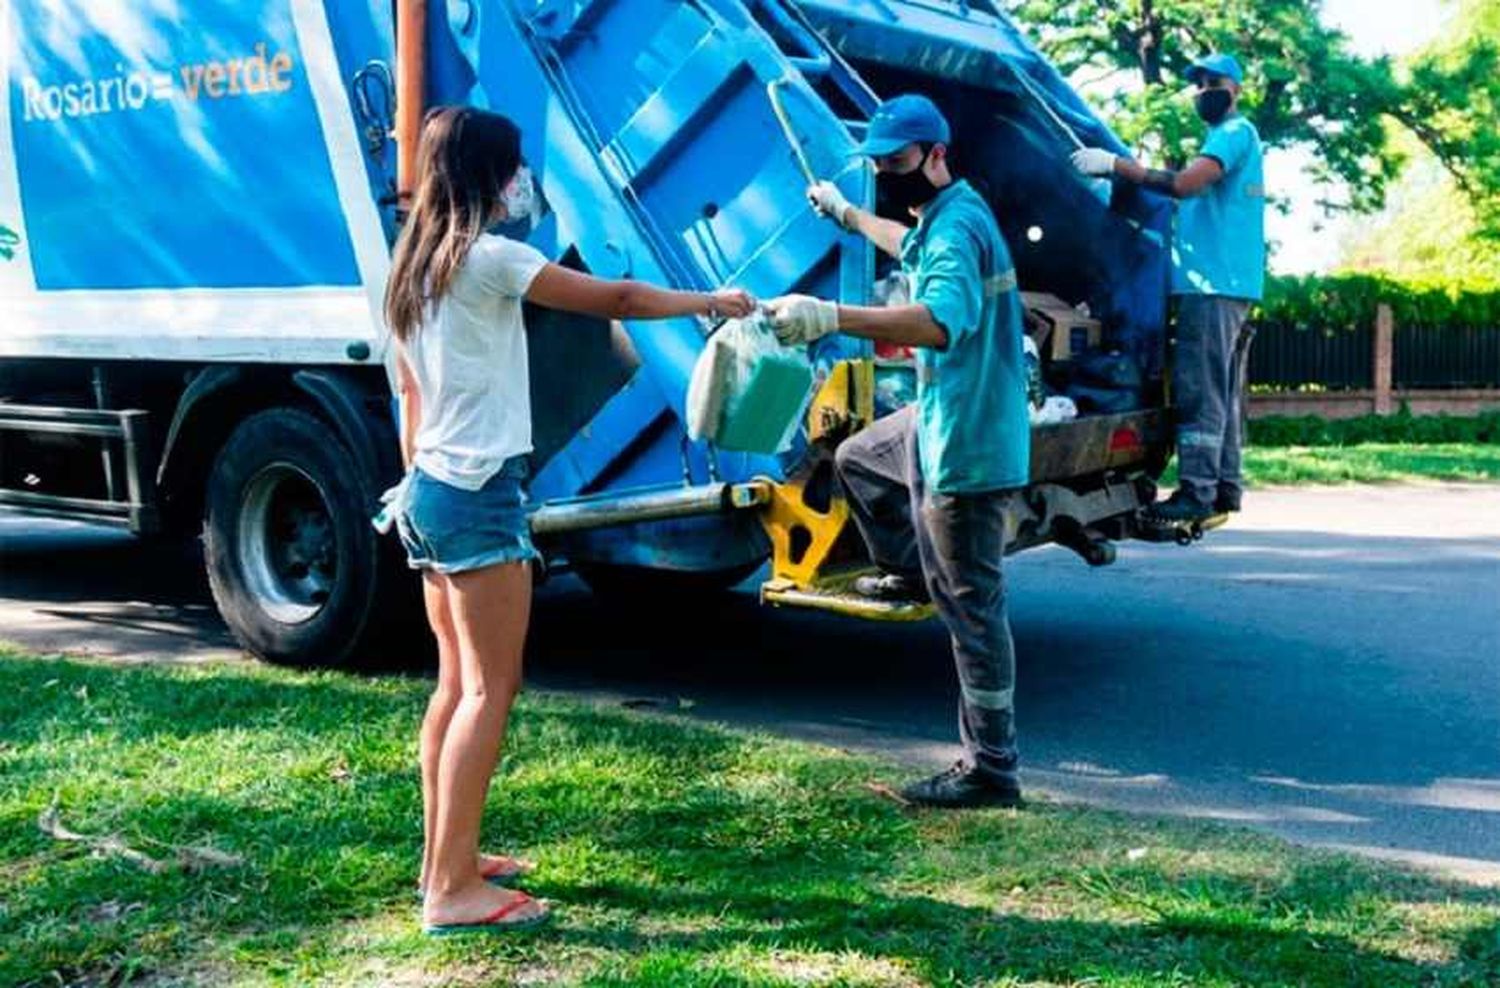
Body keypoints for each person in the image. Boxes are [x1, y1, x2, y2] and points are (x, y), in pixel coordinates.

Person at [383, 105, 753, 934]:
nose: (524, 181)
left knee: (454, 687)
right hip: (475, 495)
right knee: (490, 688)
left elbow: (410, 396)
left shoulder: (408, 272)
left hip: (431, 491)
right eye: (515, 166)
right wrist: (713, 300)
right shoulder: (491, 259)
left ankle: (446, 856)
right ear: (489, 175)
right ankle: (449, 892)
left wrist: (420, 481)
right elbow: (613, 295)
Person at [764, 93, 1029, 809]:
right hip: (948, 415)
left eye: (899, 161)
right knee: (860, 458)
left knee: (973, 608)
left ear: (937, 155)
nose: (888, 172)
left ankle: (991, 768)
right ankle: (910, 572)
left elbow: (937, 321)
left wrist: (830, 315)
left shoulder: (955, 229)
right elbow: (907, 243)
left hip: (967, 444)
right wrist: (846, 215)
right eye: (877, 164)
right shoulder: (946, 214)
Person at [1071, 52, 1266, 522]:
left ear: (1235, 88)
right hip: (1229, 285)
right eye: (1197, 85)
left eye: (1213, 82)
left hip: (1212, 287)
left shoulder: (1233, 135)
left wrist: (1116, 164)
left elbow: (1184, 185)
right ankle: (1224, 487)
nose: (1204, 91)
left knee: (1199, 390)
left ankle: (1196, 492)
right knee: (1222, 392)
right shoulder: (1229, 138)